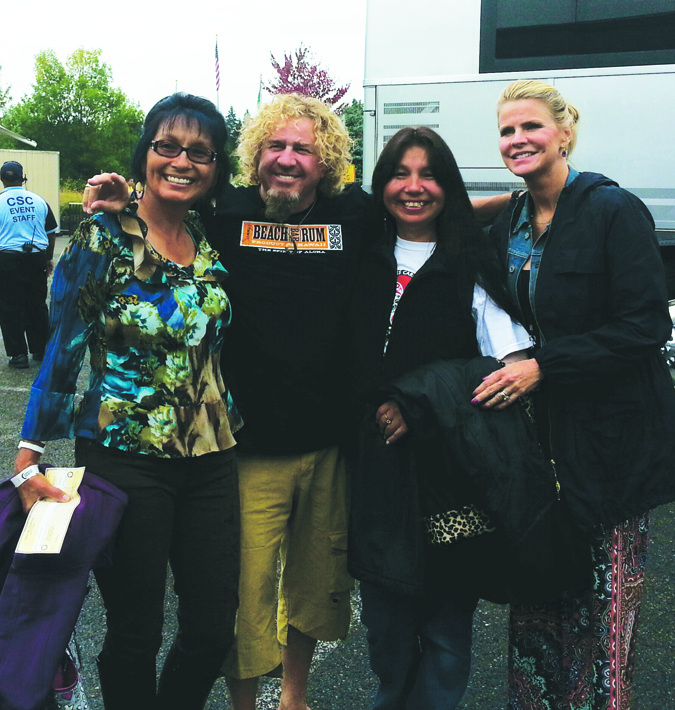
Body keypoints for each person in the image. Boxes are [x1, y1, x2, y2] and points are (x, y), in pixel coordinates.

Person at [83, 94, 510, 710]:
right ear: (255, 156)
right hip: (244, 446)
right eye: (275, 146)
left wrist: (523, 204)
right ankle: (244, 703)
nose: (287, 159)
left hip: (332, 443)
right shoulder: (222, 210)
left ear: (327, 160)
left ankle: (295, 698)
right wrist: (114, 201)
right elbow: (163, 196)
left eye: (303, 149)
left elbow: (429, 209)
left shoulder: (355, 216)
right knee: (244, 594)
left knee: (316, 588)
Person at [11, 93, 242, 710]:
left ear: (216, 167)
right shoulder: (102, 236)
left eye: (200, 152)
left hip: (213, 455)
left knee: (213, 628)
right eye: (167, 145)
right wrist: (29, 454)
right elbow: (62, 341)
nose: (183, 161)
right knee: (136, 632)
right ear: (145, 155)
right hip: (124, 456)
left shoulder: (207, 236)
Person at [472, 79, 675, 709]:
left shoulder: (613, 210)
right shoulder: (510, 218)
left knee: (601, 610)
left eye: (531, 127)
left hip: (610, 444)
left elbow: (646, 326)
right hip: (540, 445)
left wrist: (544, 367)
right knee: (539, 592)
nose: (518, 140)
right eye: (507, 131)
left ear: (564, 132)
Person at [346, 126, 536, 710]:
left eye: (429, 174)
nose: (413, 187)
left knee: (448, 633)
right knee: (387, 629)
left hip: (452, 477)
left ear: (447, 185)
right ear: (381, 185)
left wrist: (419, 403)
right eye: (400, 173)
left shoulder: (468, 264)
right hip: (376, 475)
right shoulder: (358, 259)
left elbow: (508, 367)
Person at [0, 161, 58, 368]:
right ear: (22, 178)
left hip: (7, 259)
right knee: (37, 304)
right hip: (35, 258)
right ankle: (40, 349)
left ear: (2, 179)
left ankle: (18, 355)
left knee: (9, 306)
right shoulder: (39, 201)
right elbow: (51, 233)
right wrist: (48, 258)